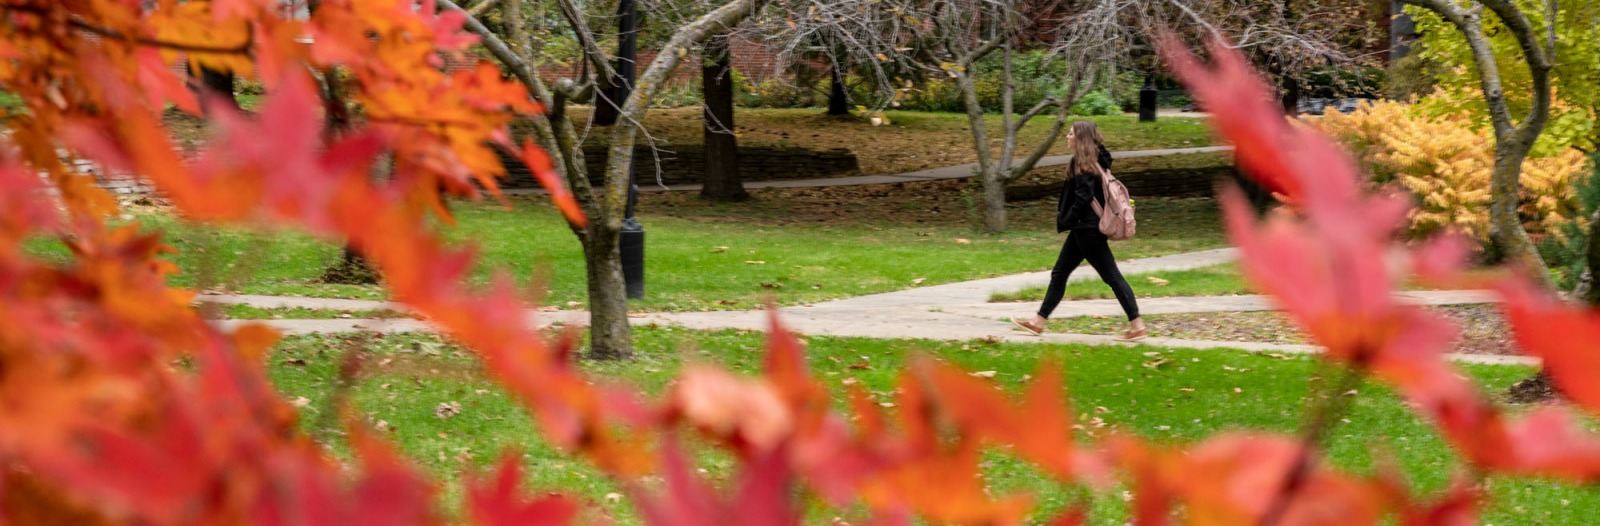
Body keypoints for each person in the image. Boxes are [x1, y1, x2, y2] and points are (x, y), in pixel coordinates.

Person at [1012, 121, 1147, 341]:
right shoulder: (1097, 161)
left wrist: (1068, 217)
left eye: (1070, 133)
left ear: (1080, 138)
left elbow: (1083, 198)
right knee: (1060, 273)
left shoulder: (1083, 163)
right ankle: (1038, 322)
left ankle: (1137, 325)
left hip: (1087, 229)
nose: (1067, 137)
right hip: (1084, 229)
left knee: (1112, 276)